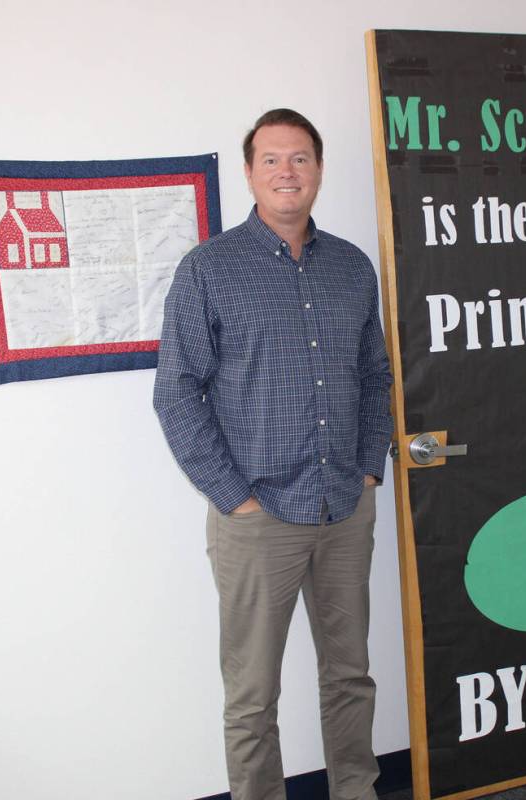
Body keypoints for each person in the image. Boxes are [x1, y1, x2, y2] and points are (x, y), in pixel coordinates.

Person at [153, 108, 393, 800]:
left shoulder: (351, 267)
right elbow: (176, 394)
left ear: (318, 170)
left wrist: (370, 465)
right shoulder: (209, 270)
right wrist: (235, 496)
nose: (287, 172)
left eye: (301, 159)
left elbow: (375, 374)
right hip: (257, 519)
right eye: (272, 159)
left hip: (345, 507)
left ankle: (357, 791)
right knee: (253, 696)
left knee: (350, 675)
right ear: (251, 172)